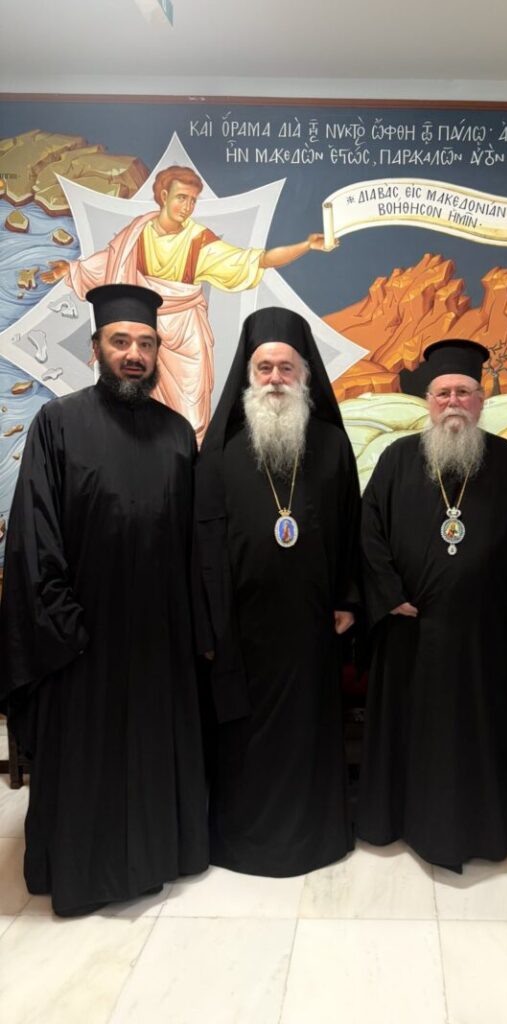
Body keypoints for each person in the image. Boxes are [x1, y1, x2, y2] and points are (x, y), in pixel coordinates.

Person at [0, 283, 208, 917]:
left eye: (146, 343)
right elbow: (35, 533)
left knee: (150, 756)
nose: (134, 355)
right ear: (96, 348)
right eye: (121, 342)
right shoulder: (58, 423)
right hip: (82, 641)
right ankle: (85, 873)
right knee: (87, 763)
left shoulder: (179, 434)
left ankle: (156, 859)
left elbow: (194, 542)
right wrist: (65, 627)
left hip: (158, 641)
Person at [357, 339, 507, 871]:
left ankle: (484, 827)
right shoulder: (396, 459)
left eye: (464, 392)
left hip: (485, 639)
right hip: (410, 636)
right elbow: (368, 534)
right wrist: (389, 595)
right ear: (428, 402)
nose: (453, 402)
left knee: (478, 735)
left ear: (480, 401)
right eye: (443, 394)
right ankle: (403, 819)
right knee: (412, 732)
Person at [195, 306, 359, 876]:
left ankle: (314, 838)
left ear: (305, 375)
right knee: (246, 738)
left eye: (286, 368)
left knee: (308, 733)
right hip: (241, 631)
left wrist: (348, 599)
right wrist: (210, 622)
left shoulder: (332, 447)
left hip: (312, 626)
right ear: (248, 374)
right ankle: (246, 843)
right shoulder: (218, 453)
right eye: (263, 368)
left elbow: (351, 527)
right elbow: (201, 546)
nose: (274, 379)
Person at [40, 165, 334, 443]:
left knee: (192, 419)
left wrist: (306, 245)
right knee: (143, 412)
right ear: (163, 195)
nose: (187, 206)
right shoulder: (137, 234)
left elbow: (254, 260)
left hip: (186, 336)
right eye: (182, 197)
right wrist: (71, 270)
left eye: (193, 200)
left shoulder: (197, 241)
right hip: (147, 335)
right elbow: (108, 262)